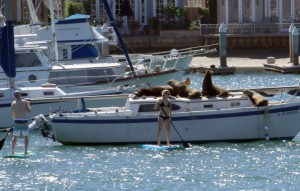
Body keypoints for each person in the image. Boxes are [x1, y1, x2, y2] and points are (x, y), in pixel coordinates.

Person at [11, 90, 31, 155]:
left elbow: (12, 114)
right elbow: (29, 111)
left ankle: (13, 151)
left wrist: (14, 120)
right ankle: (25, 151)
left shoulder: (13, 103)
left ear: (14, 96)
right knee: (26, 136)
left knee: (15, 136)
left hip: (16, 121)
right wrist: (28, 104)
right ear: (20, 95)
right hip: (24, 121)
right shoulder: (25, 102)